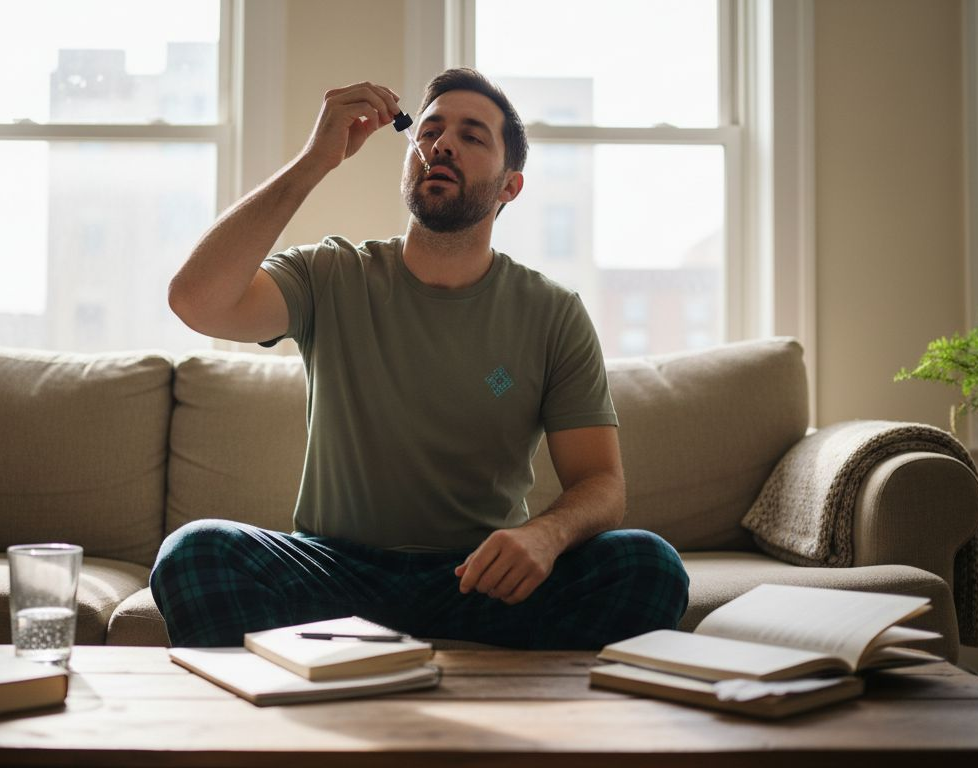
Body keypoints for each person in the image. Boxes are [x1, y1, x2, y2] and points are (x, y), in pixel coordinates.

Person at [151, 68, 688, 649]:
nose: (443, 144)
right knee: (195, 552)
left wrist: (543, 536)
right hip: (335, 574)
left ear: (510, 186)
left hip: (482, 580)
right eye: (430, 130)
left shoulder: (552, 313)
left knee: (648, 565)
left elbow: (602, 483)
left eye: (472, 136)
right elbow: (196, 301)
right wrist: (315, 160)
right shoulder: (331, 275)